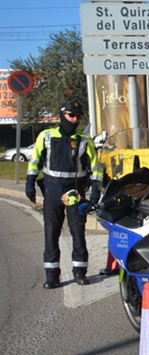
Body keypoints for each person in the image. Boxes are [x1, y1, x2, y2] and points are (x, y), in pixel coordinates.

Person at [25, 101, 102, 289]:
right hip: (52, 191)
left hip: (75, 192)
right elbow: (35, 160)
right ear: (62, 115)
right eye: (71, 115)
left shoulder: (85, 140)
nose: (74, 119)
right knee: (51, 233)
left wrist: (95, 189)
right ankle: (52, 276)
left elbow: (95, 167)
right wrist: (30, 183)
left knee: (78, 232)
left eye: (78, 116)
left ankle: (80, 272)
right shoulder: (46, 136)